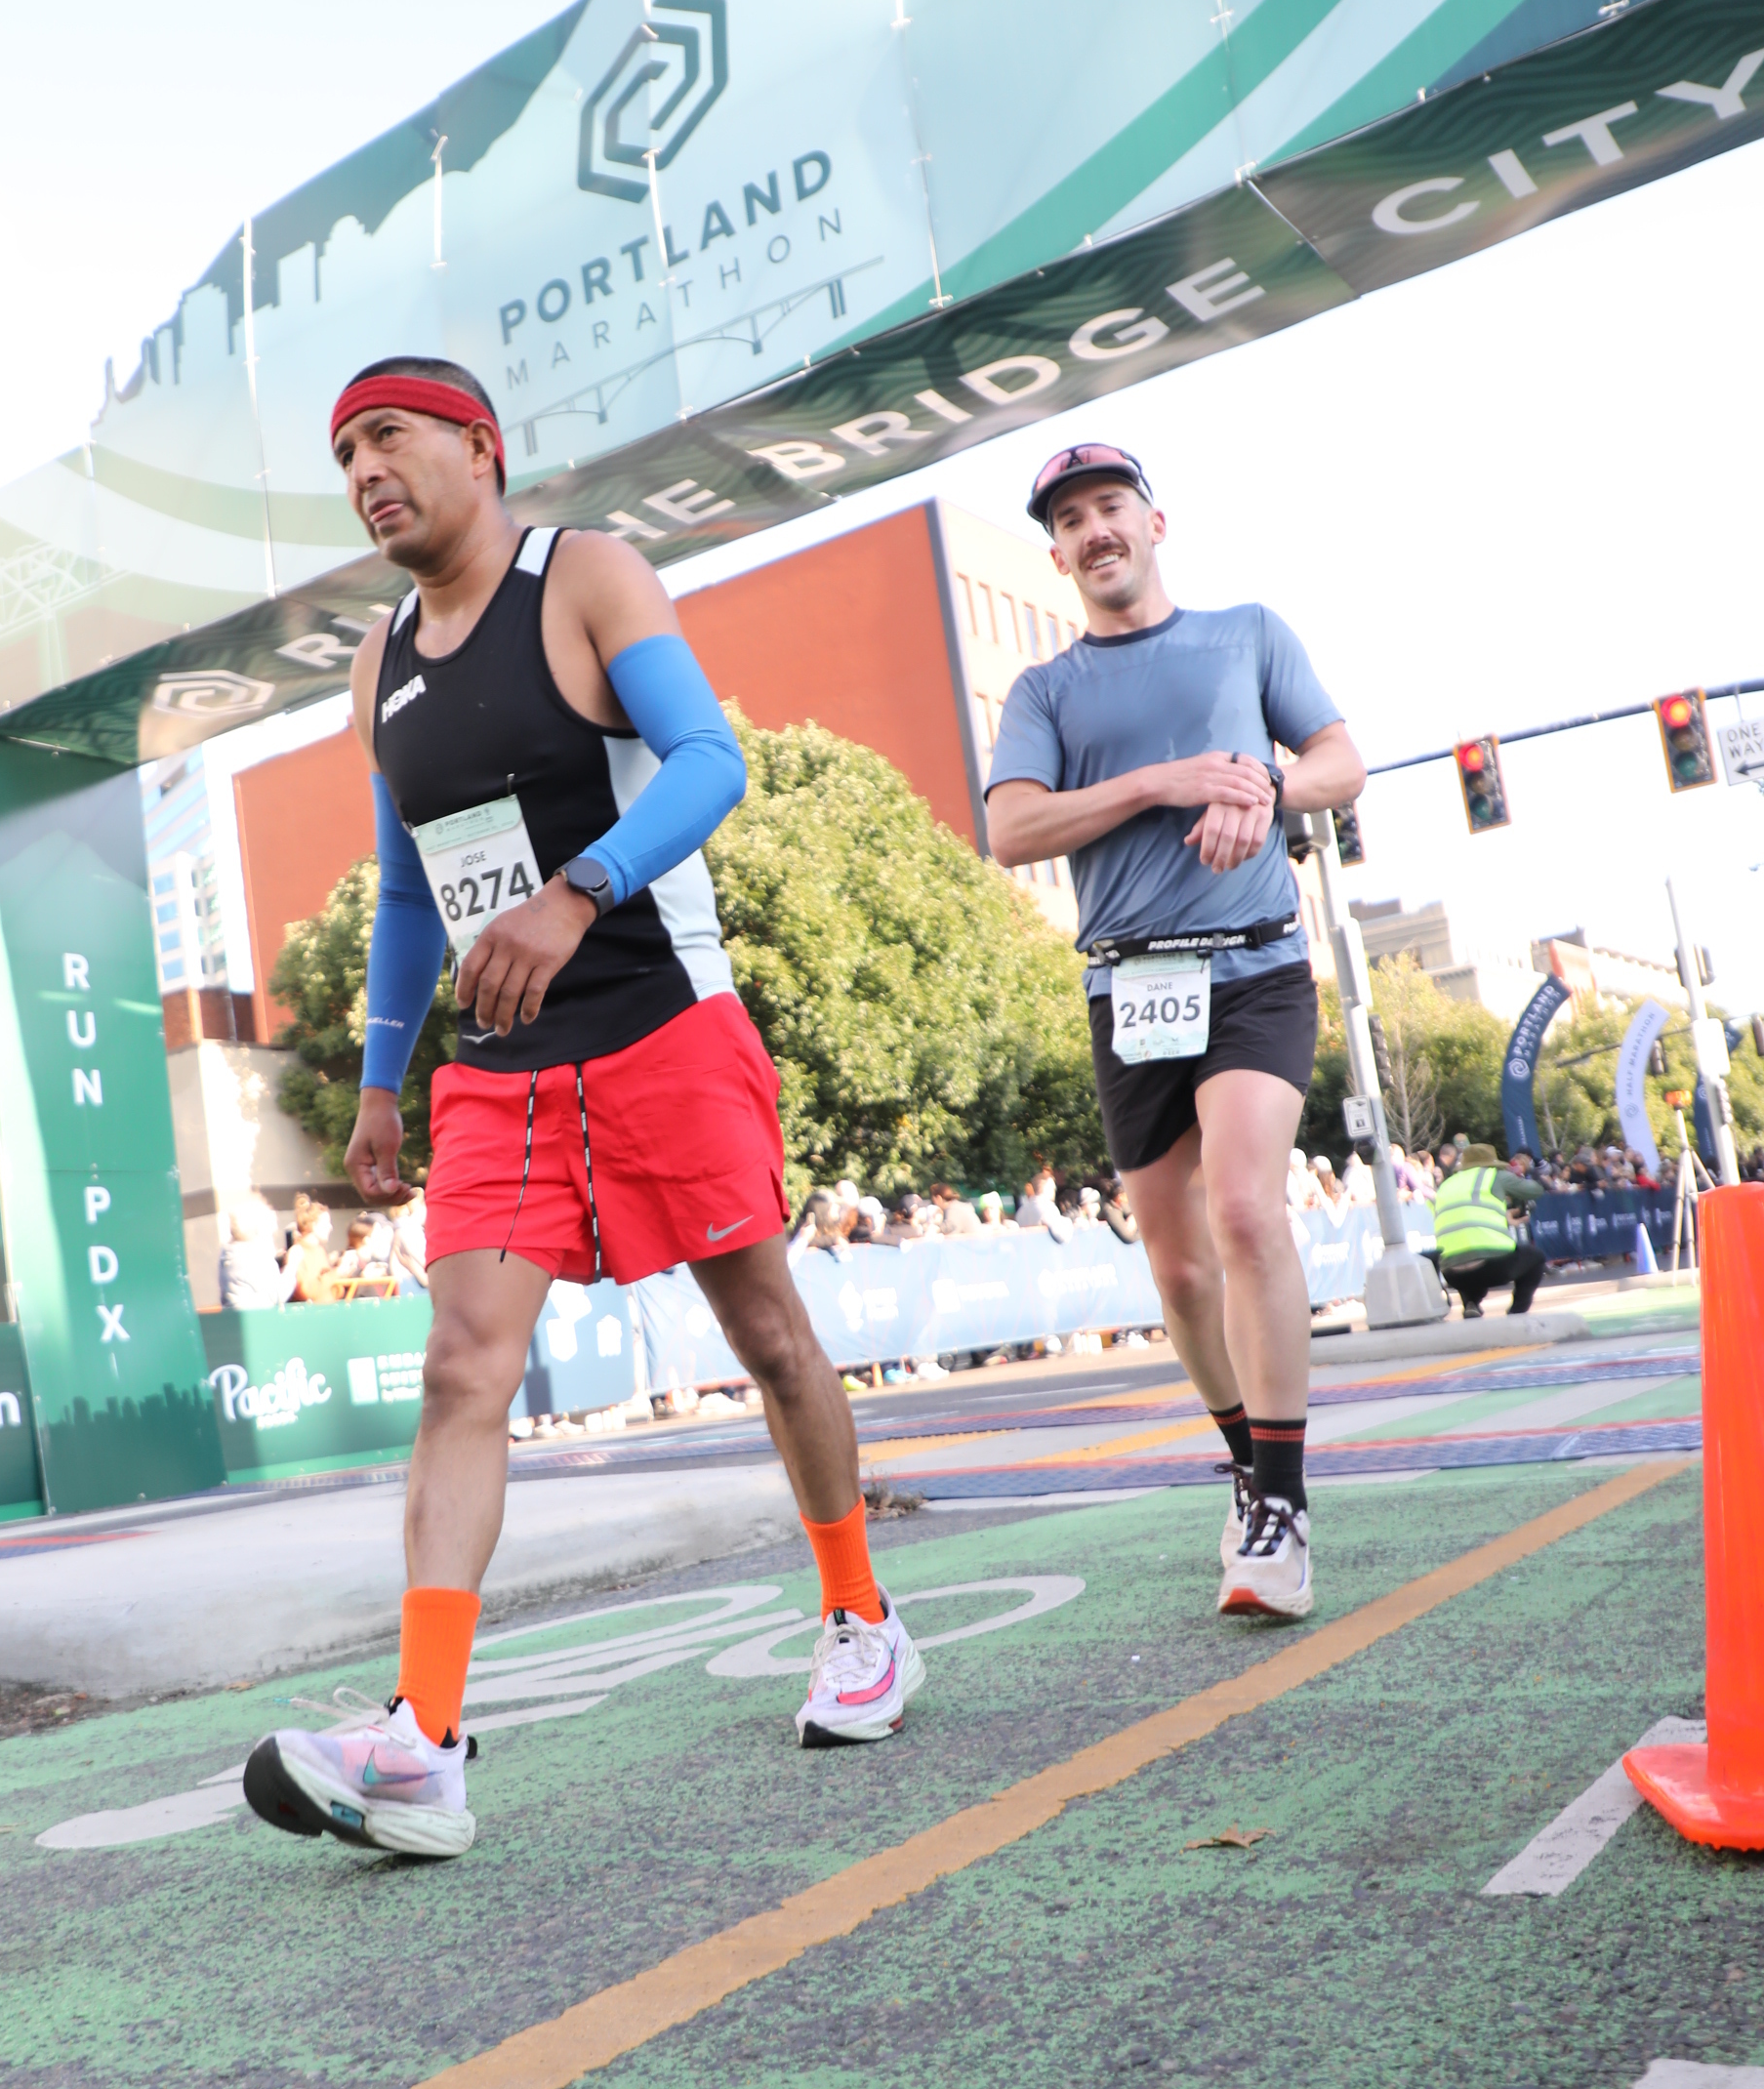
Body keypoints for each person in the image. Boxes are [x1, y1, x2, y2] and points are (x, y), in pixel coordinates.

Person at [242, 357, 923, 1864]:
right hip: (500, 1066)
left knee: (769, 1336)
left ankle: (862, 1619)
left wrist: (579, 891)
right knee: (460, 1368)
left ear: (479, 450)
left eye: (389, 437)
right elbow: (410, 887)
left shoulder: (588, 577)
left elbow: (710, 761)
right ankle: (423, 1745)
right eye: (345, 453)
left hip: (664, 1019)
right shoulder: (378, 663)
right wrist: (379, 1081)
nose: (364, 471)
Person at [986, 440, 1364, 1623]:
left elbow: (1339, 763)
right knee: (1178, 1264)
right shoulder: (1042, 692)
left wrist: (1257, 785)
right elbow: (1011, 831)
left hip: (1252, 968)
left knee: (1245, 1211)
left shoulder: (1245, 633)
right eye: (1069, 521)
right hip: (1129, 988)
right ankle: (1247, 1462)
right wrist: (1161, 783)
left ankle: (1281, 1508)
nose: (1093, 528)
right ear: (1056, 556)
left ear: (1155, 523)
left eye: (1110, 506)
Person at [1433, 1143, 1546, 1318]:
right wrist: (1528, 1176)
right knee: (1535, 1258)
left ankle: (1471, 1302)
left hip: (1451, 1273)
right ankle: (1517, 1312)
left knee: (1467, 1254)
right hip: (1493, 1267)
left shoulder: (1446, 1184)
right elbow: (1535, 1191)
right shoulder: (1494, 1176)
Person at [217, 1202, 287, 1310]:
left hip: (235, 1318)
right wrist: (292, 1264)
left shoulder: (229, 1255)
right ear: (258, 1230)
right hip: (260, 1317)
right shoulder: (255, 1258)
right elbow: (279, 1294)